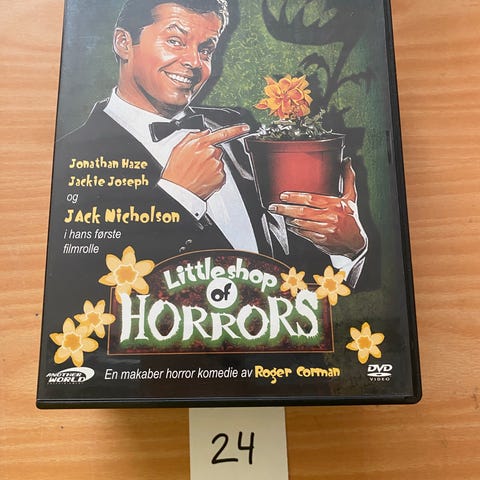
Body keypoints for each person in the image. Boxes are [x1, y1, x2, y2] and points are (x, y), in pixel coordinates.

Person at [53, 0, 367, 290]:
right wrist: (179, 197)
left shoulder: (237, 126)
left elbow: (290, 259)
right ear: (124, 43)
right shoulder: (70, 157)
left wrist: (347, 249)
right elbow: (79, 288)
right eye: (175, 41)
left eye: (206, 49)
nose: (194, 62)